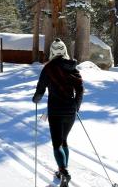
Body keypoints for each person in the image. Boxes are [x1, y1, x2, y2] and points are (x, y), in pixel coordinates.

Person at [33, 38, 84, 185]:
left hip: (55, 111)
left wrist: (36, 99)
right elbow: (80, 89)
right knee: (64, 141)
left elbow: (40, 90)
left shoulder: (49, 68)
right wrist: (76, 106)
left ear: (52, 52)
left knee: (57, 144)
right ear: (65, 51)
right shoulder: (72, 67)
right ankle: (63, 170)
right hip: (70, 111)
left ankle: (63, 172)